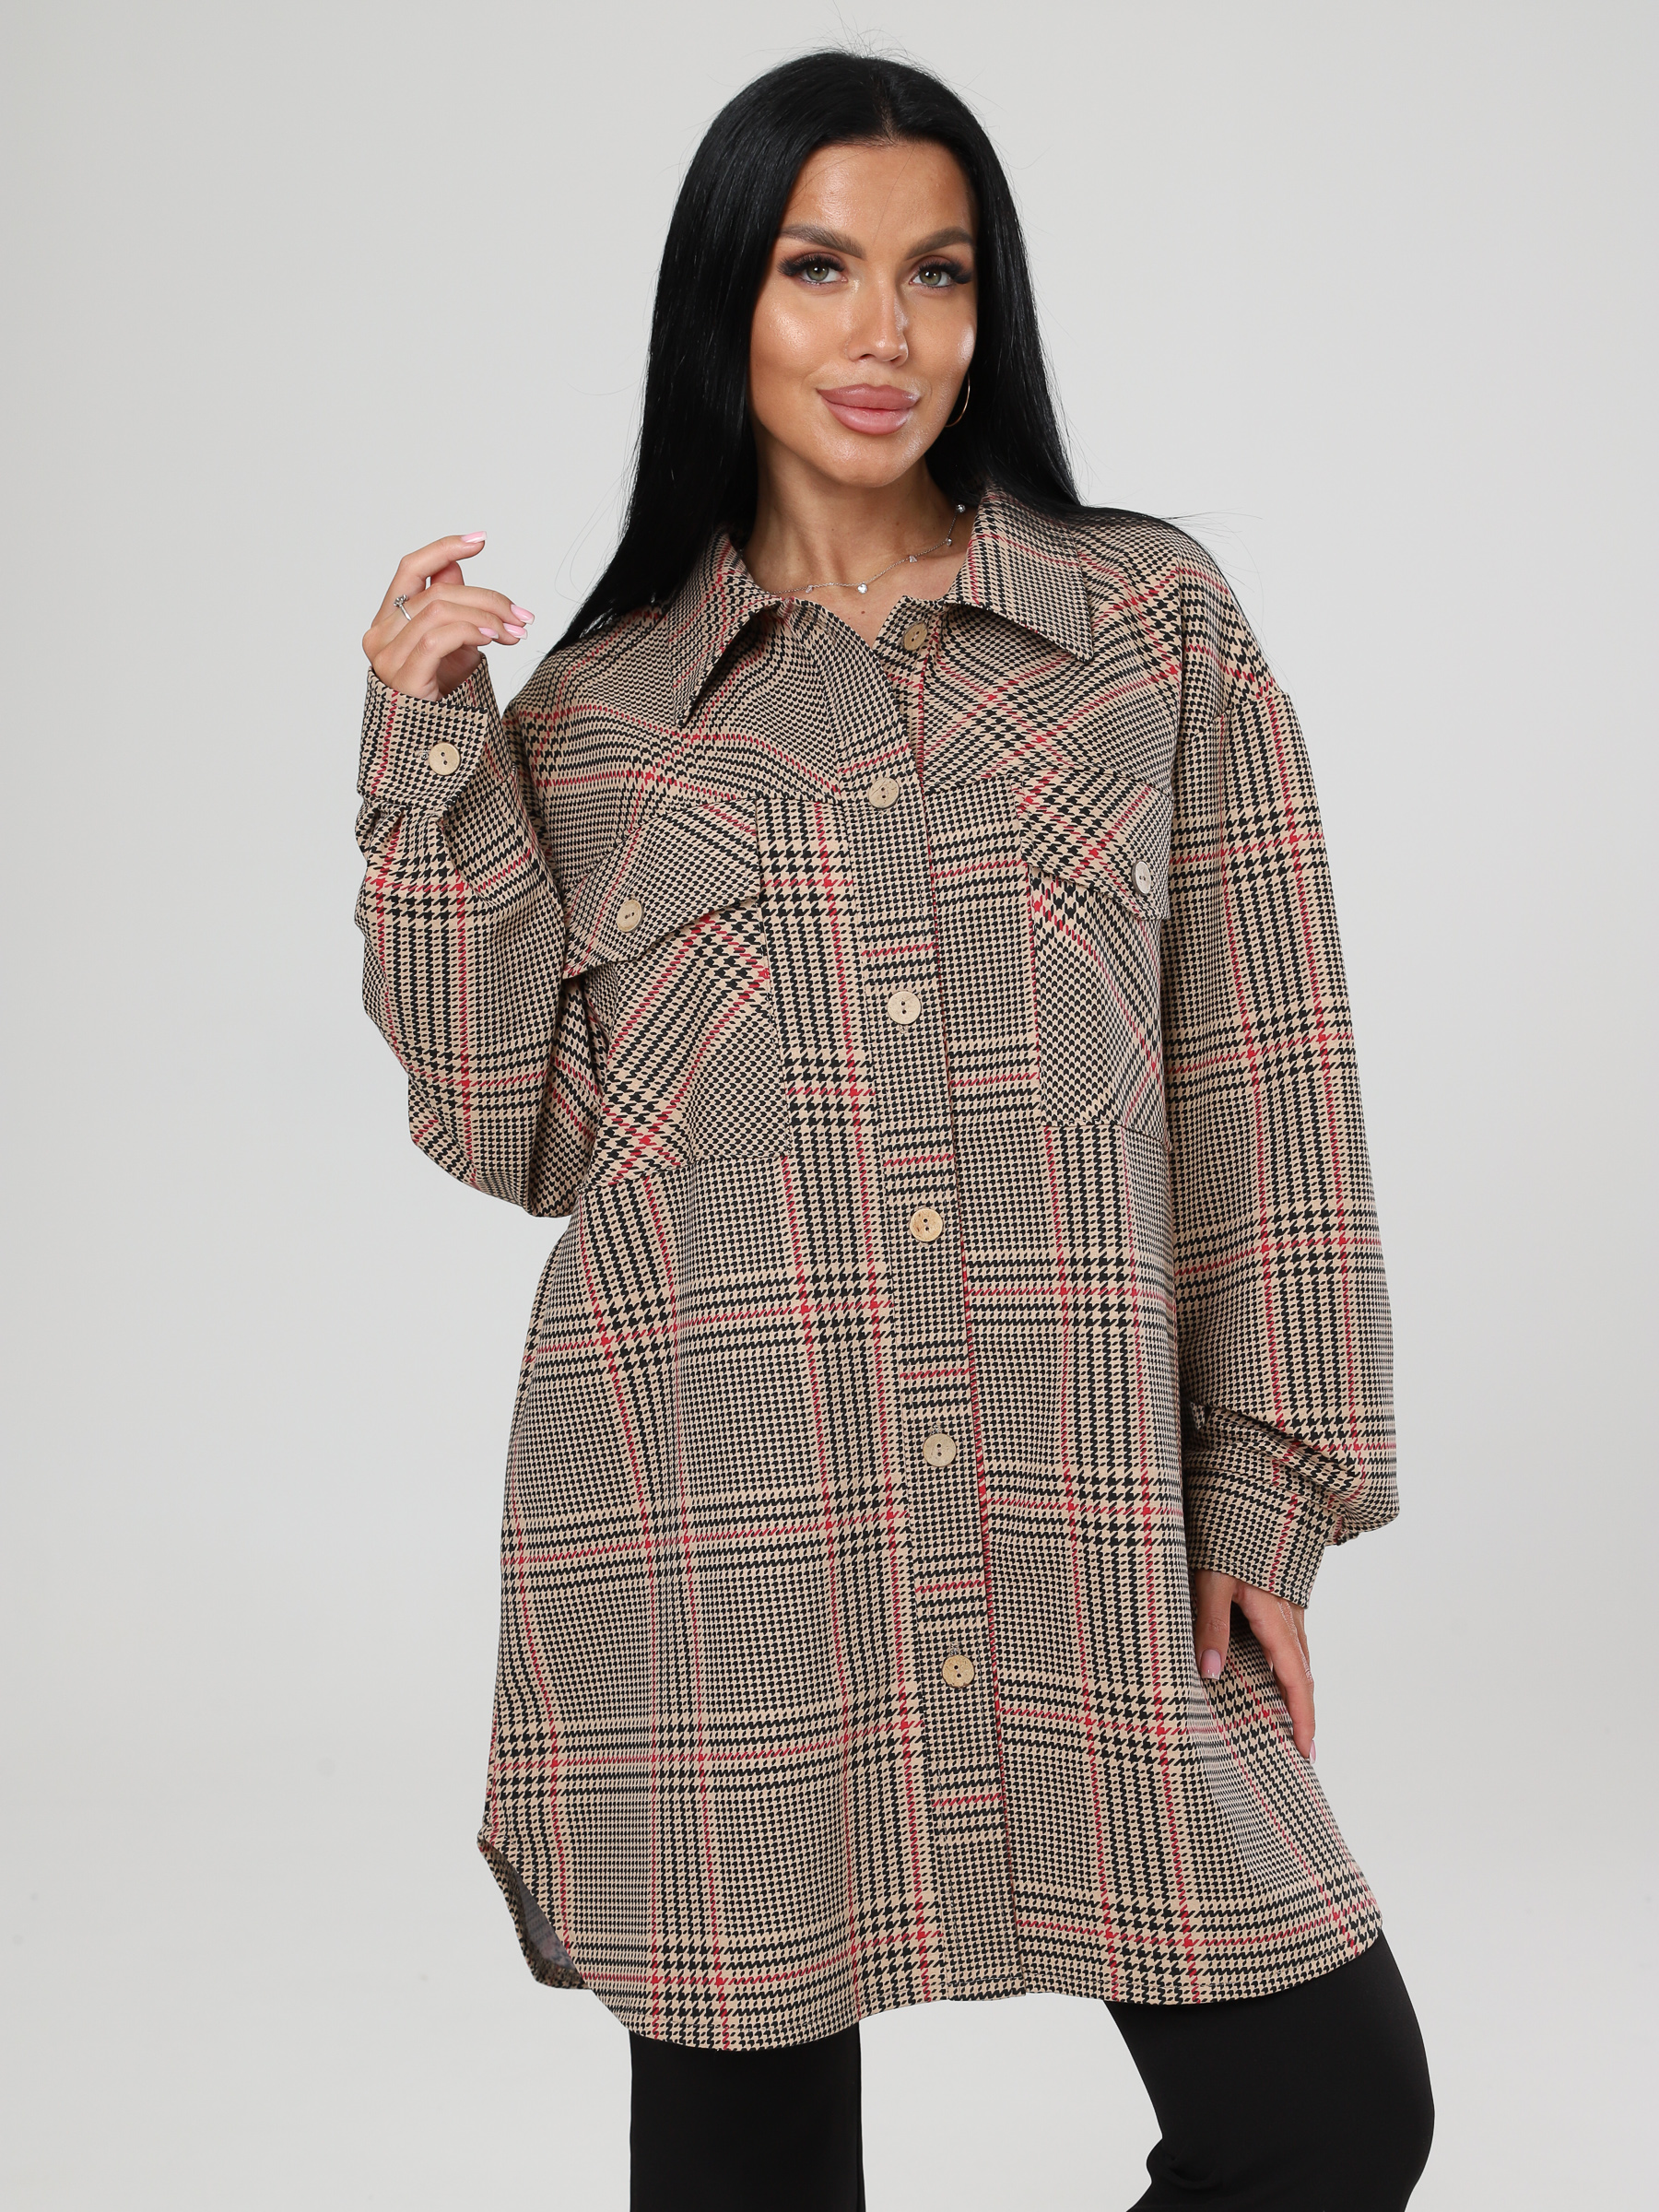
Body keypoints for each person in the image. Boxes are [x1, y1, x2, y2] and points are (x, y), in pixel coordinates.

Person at [353, 49, 1433, 2212]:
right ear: (725, 306)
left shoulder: (1149, 631)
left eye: (938, 273)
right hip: (716, 1536)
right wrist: (428, 761)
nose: (886, 332)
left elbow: (1269, 1074)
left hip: (1081, 1513)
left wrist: (1264, 1485)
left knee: (1326, 2116)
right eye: (818, 268)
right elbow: (508, 1130)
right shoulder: (603, 712)